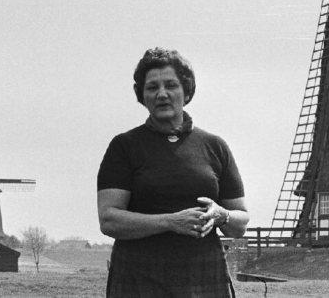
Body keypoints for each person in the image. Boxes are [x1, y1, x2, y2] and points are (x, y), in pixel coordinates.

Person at [97, 47, 249, 297]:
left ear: (186, 91)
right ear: (142, 96)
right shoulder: (124, 147)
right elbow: (109, 219)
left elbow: (240, 222)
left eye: (171, 85)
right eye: (152, 87)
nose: (162, 94)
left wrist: (221, 215)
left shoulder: (215, 146)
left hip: (202, 274)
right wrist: (170, 222)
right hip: (138, 275)